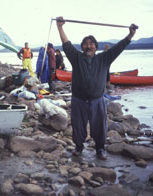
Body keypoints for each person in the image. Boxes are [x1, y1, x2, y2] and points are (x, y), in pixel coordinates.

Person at [56, 16, 137, 160]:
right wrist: (60, 26)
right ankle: (79, 147)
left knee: (100, 127)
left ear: (96, 46)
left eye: (92, 44)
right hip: (79, 100)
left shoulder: (104, 58)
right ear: (82, 47)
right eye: (86, 44)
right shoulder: (76, 58)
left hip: (97, 100)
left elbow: (119, 47)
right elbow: (66, 44)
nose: (88, 46)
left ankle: (100, 148)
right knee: (78, 127)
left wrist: (130, 35)